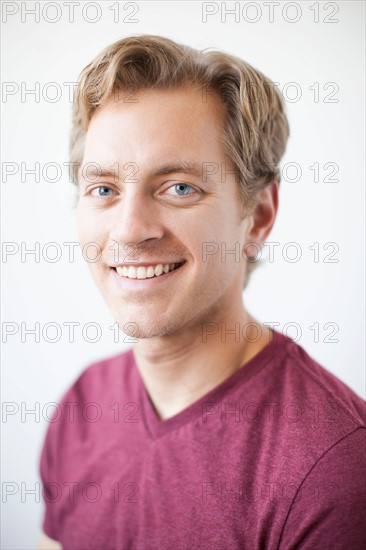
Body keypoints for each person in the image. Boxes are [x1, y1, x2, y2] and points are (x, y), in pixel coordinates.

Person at [38, 35, 366, 550]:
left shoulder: (335, 468)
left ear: (257, 215)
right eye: (103, 189)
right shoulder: (84, 407)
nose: (128, 231)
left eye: (179, 187)